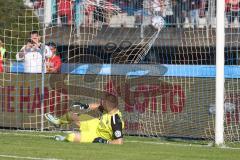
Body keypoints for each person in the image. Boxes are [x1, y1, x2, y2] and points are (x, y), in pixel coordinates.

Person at [45, 93, 124, 144]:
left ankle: (64, 138)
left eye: (103, 102)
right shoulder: (109, 108)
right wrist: (85, 105)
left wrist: (105, 141)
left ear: (108, 104)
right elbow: (98, 105)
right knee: (71, 115)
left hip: (97, 136)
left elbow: (119, 142)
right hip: (95, 125)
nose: (101, 103)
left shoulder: (115, 120)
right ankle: (58, 122)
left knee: (71, 137)